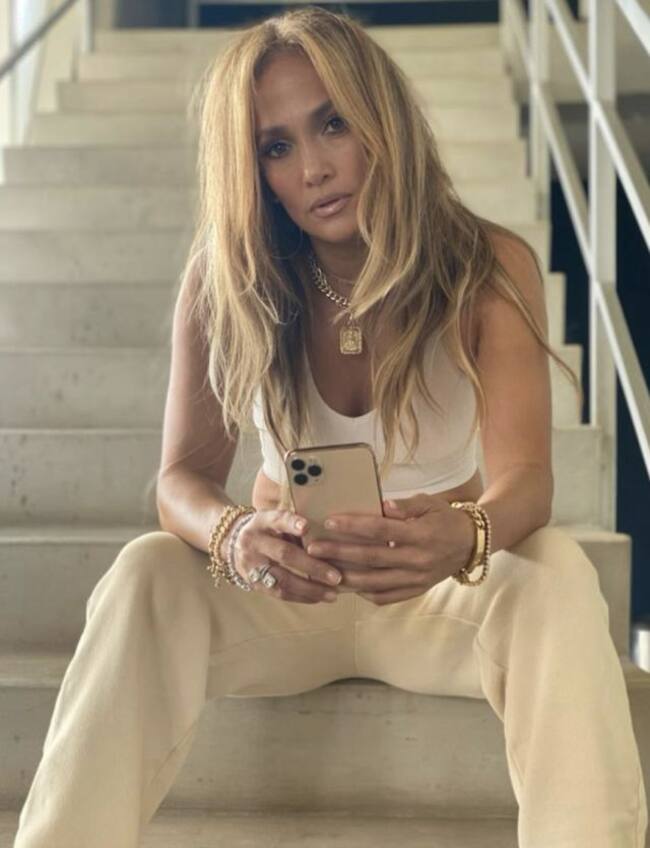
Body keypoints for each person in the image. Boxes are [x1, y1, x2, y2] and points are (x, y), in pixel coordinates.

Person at [13, 7, 647, 847]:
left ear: (381, 117)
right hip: (289, 596)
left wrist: (466, 534)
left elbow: (528, 481)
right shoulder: (224, 280)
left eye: (334, 123)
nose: (313, 167)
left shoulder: (487, 266)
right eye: (276, 147)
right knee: (144, 572)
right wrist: (236, 535)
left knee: (559, 571)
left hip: (438, 594)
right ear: (254, 170)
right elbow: (180, 483)